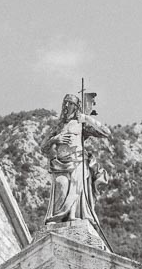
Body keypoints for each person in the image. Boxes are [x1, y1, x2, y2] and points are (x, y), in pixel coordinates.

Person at [42, 92, 111, 234]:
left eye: (71, 103)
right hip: (60, 165)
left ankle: (73, 216)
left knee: (75, 190)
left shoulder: (81, 124)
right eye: (66, 103)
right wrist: (55, 139)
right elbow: (43, 147)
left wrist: (87, 119)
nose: (67, 106)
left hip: (78, 162)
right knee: (61, 185)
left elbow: (106, 132)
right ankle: (57, 218)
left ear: (76, 106)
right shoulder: (58, 126)